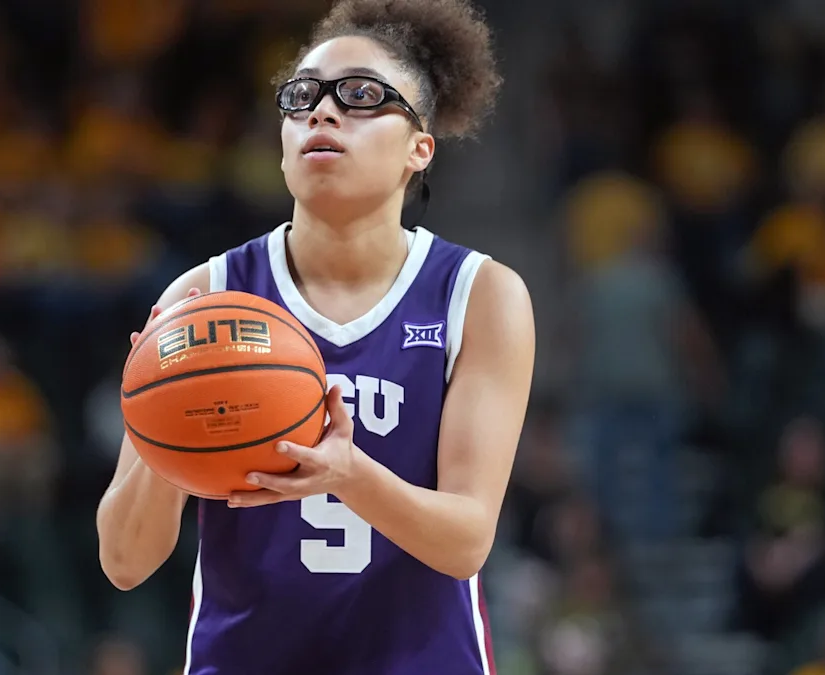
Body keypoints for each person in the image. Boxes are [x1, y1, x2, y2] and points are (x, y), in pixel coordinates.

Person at [96, 1, 534, 673]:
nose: (322, 112)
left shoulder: (479, 295)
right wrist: (163, 419)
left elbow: (466, 542)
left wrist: (347, 475)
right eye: (302, 97)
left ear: (419, 149)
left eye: (361, 96)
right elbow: (125, 562)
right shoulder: (203, 296)